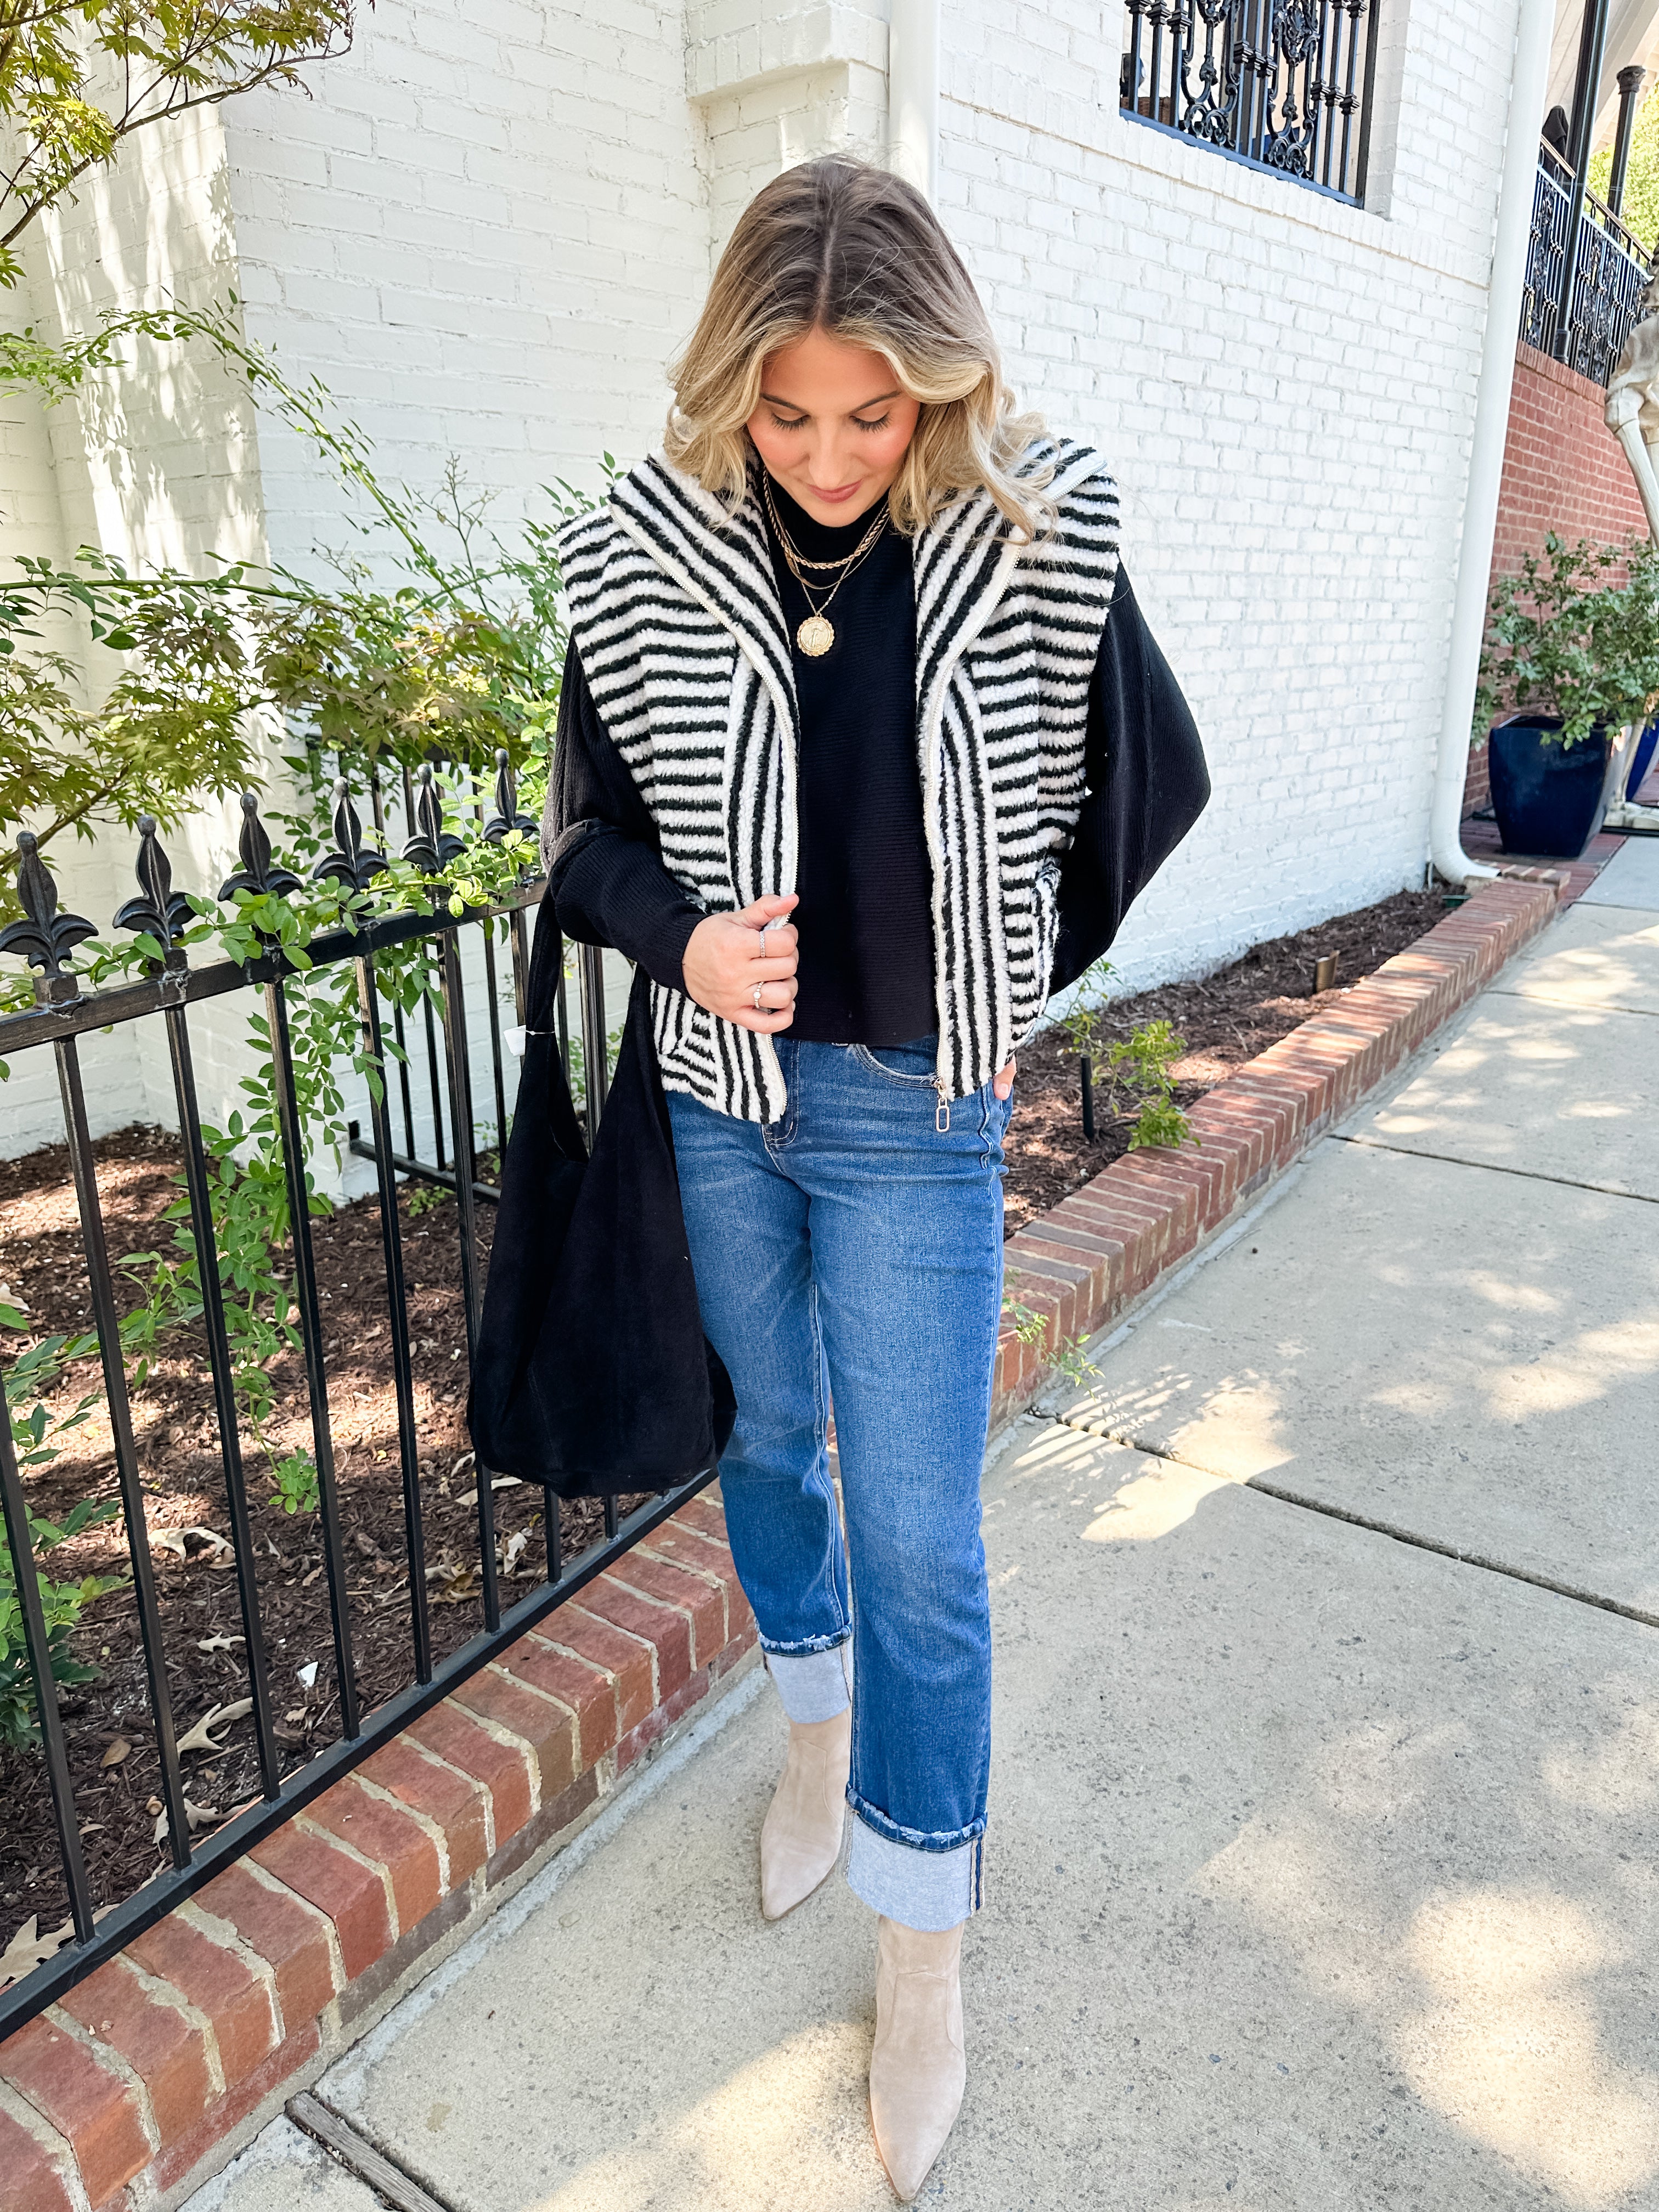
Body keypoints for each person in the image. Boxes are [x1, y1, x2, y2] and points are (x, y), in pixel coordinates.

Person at [544, 155, 1208, 2202]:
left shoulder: (1029, 543)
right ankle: (811, 1731)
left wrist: (987, 977)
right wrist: (687, 944)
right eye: (788, 410)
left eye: (874, 410)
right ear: (731, 385)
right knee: (770, 1450)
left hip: (915, 1119)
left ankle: (922, 1955)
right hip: (720, 1097)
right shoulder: (643, 557)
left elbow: (1143, 789)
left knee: (926, 1533)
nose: (830, 453)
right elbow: (578, 851)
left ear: (938, 382)